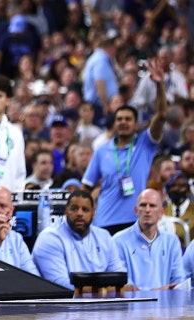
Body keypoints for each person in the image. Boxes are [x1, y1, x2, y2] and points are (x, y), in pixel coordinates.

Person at [82, 58, 168, 235]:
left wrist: (159, 85)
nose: (123, 122)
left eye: (128, 119)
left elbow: (161, 115)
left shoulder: (145, 144)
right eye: (119, 119)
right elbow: (86, 187)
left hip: (135, 221)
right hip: (103, 222)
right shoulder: (102, 150)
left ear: (136, 125)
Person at [32, 190, 126, 290]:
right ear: (66, 211)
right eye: (74, 209)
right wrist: (102, 290)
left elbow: (118, 275)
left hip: (99, 302)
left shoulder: (104, 236)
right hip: (63, 303)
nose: (79, 214)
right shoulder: (49, 238)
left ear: (93, 213)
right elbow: (59, 284)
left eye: (85, 209)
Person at [112, 189, 186, 290]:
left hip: (167, 304)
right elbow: (124, 286)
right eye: (143, 205)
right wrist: (158, 290)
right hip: (132, 304)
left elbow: (179, 281)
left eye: (152, 206)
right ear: (136, 210)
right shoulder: (118, 241)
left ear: (161, 212)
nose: (147, 210)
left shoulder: (172, 241)